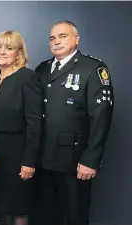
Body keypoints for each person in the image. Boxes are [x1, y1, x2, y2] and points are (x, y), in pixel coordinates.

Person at [32, 20, 114, 225]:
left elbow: (101, 116)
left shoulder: (93, 68)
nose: (56, 41)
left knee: (73, 215)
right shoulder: (41, 69)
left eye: (62, 36)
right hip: (42, 158)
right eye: (52, 38)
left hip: (74, 160)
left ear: (76, 39)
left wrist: (90, 159)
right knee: (44, 215)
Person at [0, 30, 43, 225]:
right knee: (3, 207)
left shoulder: (28, 78)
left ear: (19, 53)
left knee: (18, 209)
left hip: (19, 155)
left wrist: (29, 161)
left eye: (8, 48)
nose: (2, 52)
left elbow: (35, 123)